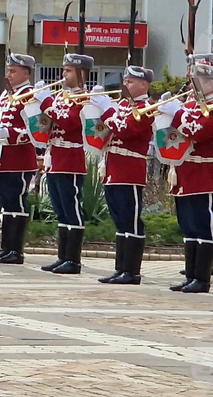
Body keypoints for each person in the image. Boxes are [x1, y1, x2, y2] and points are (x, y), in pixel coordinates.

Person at [160, 54, 213, 293]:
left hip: (204, 171)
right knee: (187, 225)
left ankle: (202, 278)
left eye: (195, 79)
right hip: (185, 170)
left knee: (202, 224)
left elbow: (198, 130)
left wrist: (175, 114)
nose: (190, 84)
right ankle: (191, 275)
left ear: (208, 82)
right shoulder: (191, 103)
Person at [90, 66, 155, 286]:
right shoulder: (123, 105)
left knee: (131, 220)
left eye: (130, 82)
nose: (125, 85)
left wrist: (107, 111)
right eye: (125, 81)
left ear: (143, 85)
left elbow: (124, 129)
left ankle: (132, 271)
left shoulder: (146, 108)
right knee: (120, 221)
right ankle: (121, 268)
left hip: (130, 170)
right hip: (113, 167)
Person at [35, 53, 94, 274]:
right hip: (55, 157)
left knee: (72, 209)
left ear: (80, 73)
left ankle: (73, 260)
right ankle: (62, 256)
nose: (63, 74)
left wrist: (47, 104)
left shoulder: (84, 98)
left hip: (71, 158)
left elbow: (69, 123)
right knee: (60, 210)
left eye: (68, 70)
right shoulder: (61, 97)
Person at [0, 53, 38, 265]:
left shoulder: (30, 95)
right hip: (1, 158)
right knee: (6, 204)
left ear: (26, 72)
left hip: (19, 158)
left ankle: (16, 250)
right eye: (8, 70)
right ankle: (6, 247)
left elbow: (35, 129)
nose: (9, 74)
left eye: (14, 71)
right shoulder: (7, 95)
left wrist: (10, 133)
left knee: (17, 203)